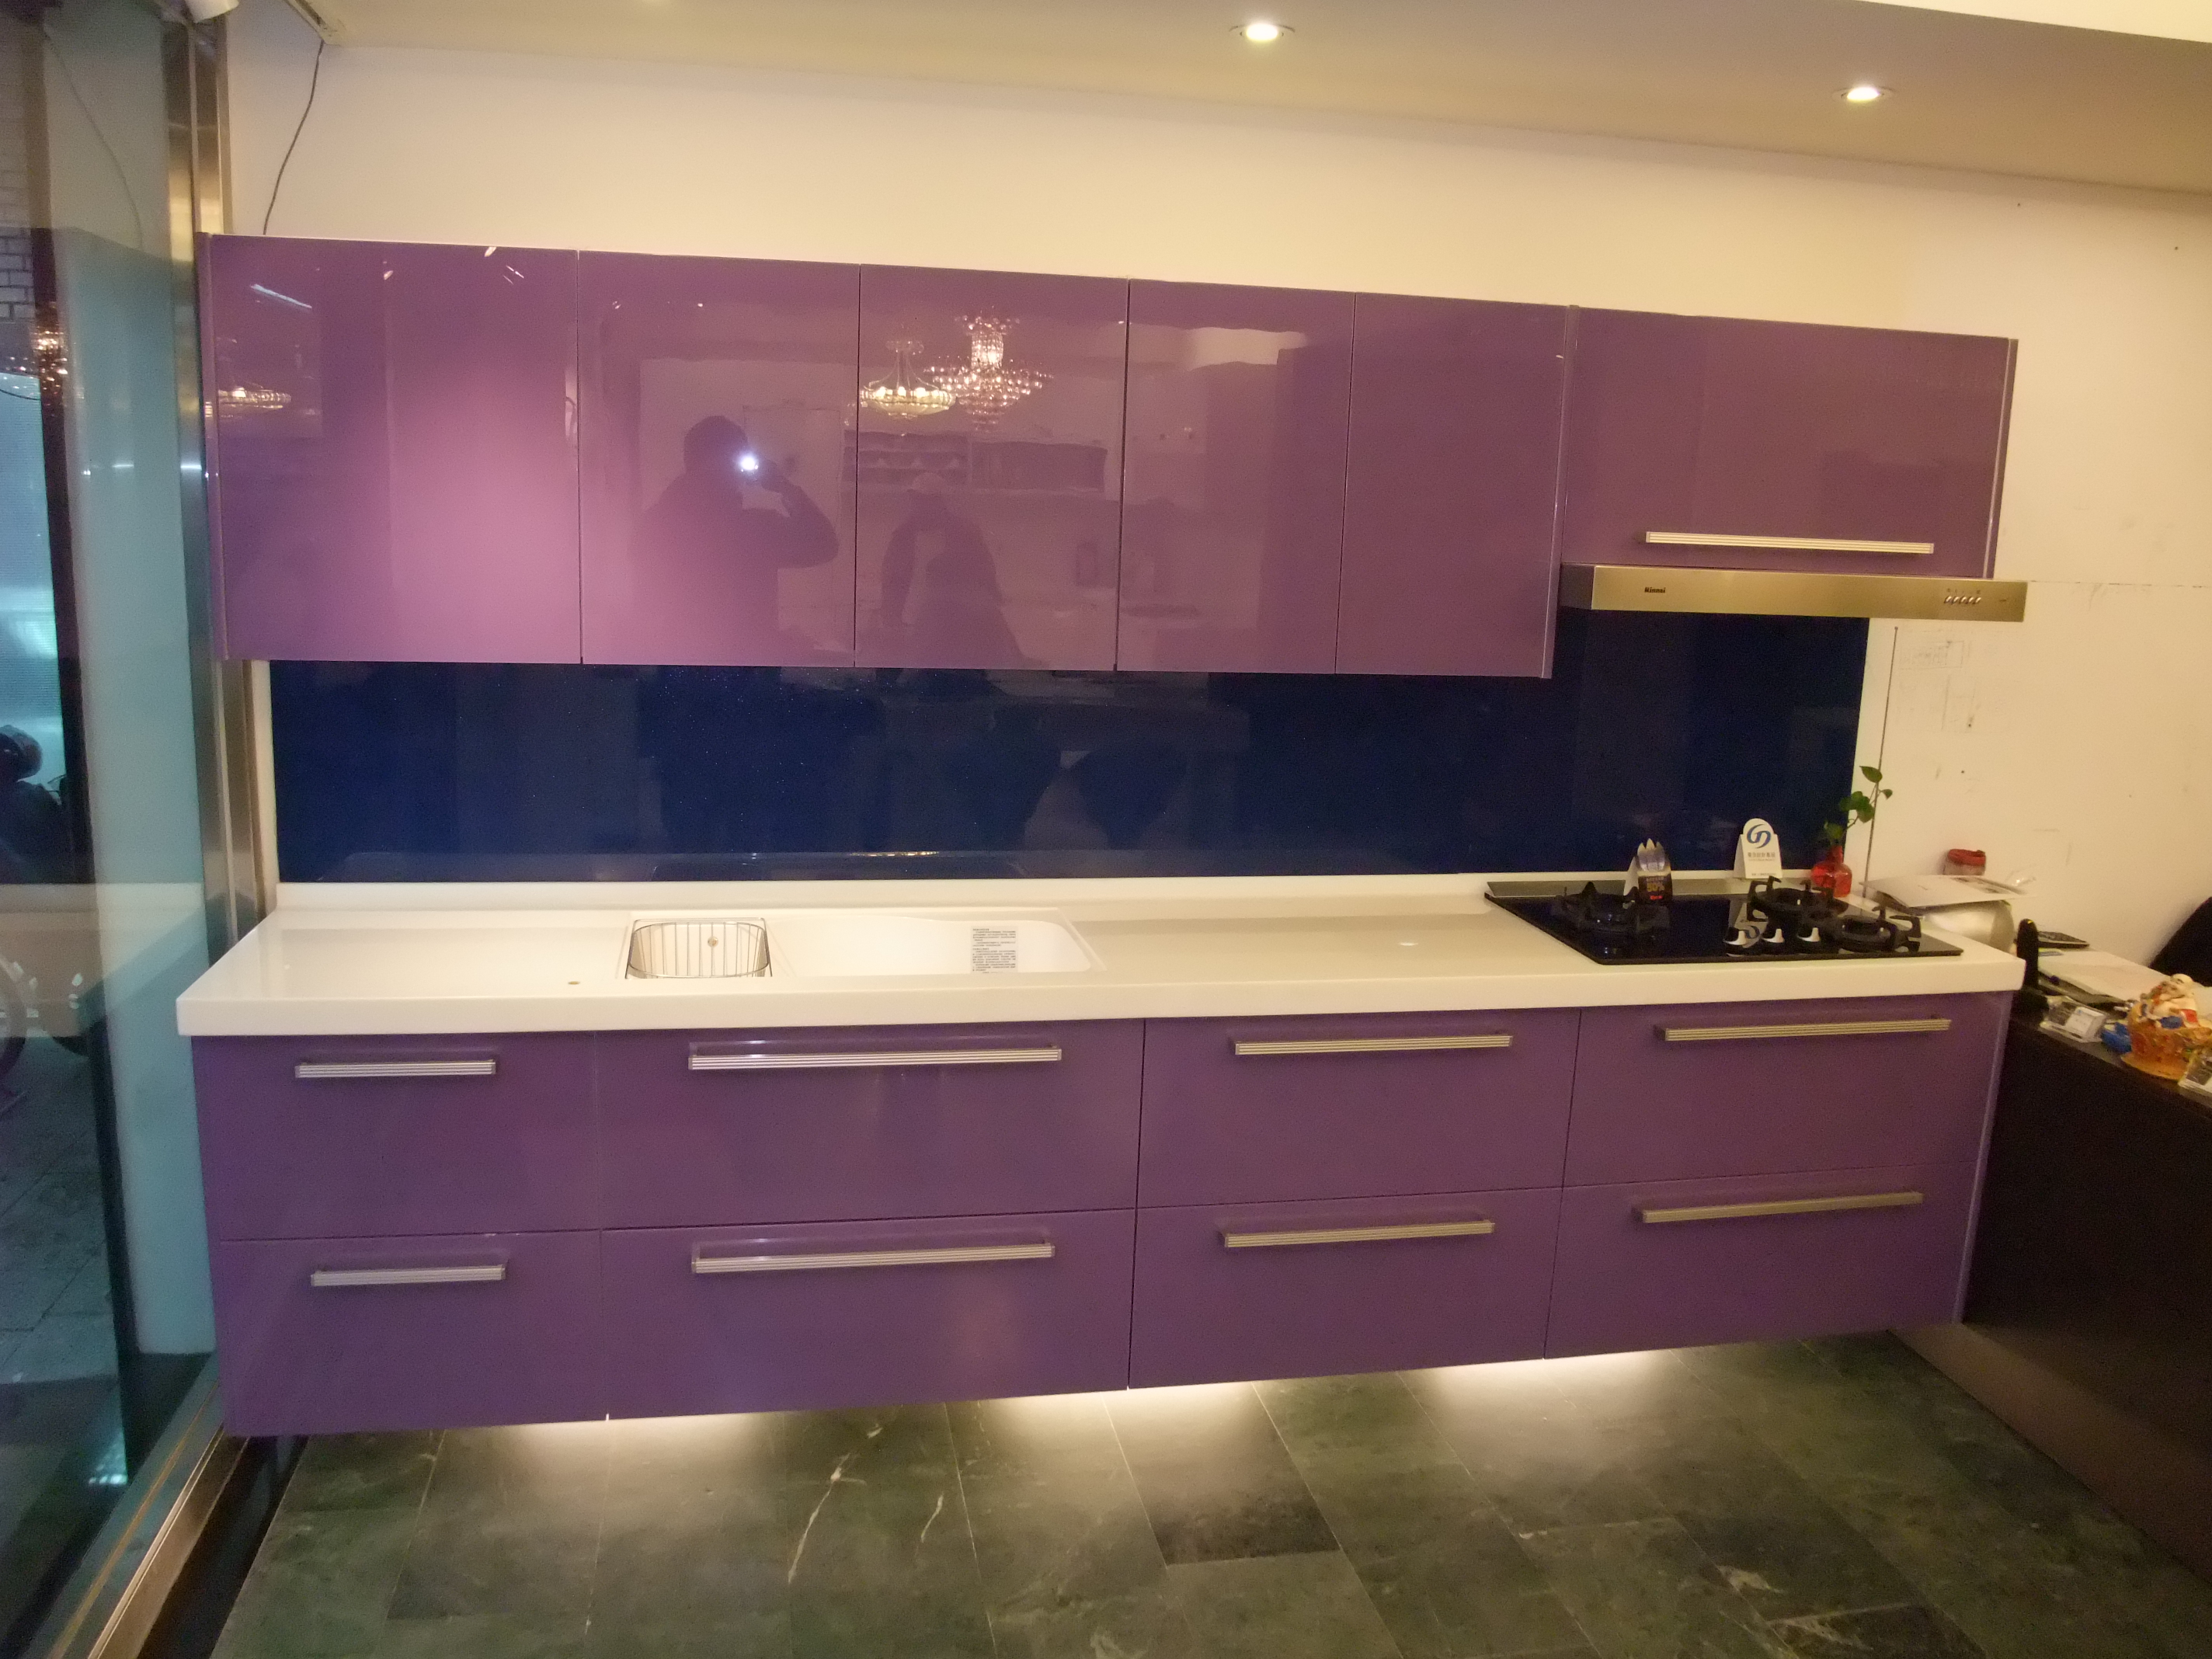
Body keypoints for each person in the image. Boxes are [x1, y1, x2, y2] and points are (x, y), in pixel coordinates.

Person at [631, 416, 839, 651]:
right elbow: (824, 544)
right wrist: (783, 486)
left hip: (673, 662)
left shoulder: (652, 524)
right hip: (745, 665)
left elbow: (641, 607)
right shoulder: (753, 530)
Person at [878, 473, 1025, 665]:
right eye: (916, 500)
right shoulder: (902, 536)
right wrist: (890, 622)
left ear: (940, 502)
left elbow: (985, 573)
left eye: (925, 500)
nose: (919, 506)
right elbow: (890, 582)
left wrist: (988, 606)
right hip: (911, 625)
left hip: (955, 627)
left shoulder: (965, 533)